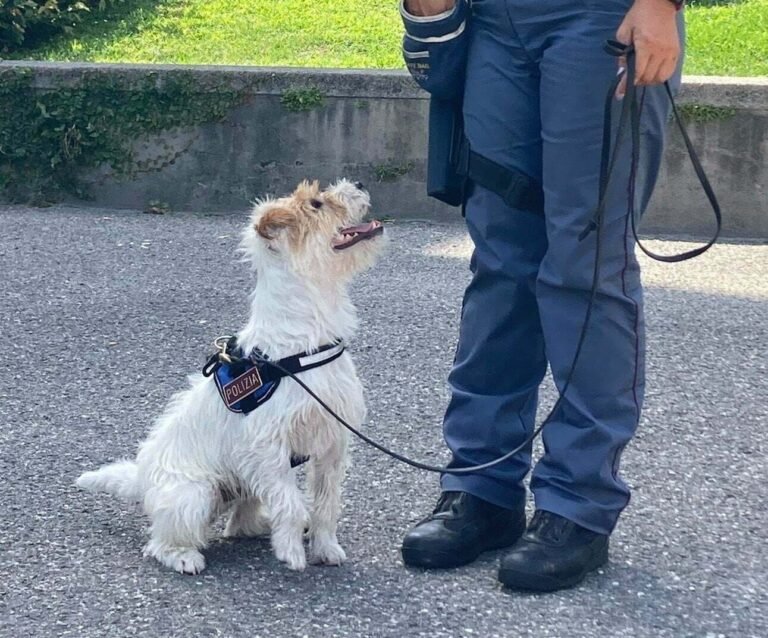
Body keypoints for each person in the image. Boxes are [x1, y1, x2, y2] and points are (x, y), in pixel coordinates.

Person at [399, 0, 685, 591]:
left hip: (601, 19)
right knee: (501, 265)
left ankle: (578, 505)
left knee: (586, 268)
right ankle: (481, 486)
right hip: (493, 21)